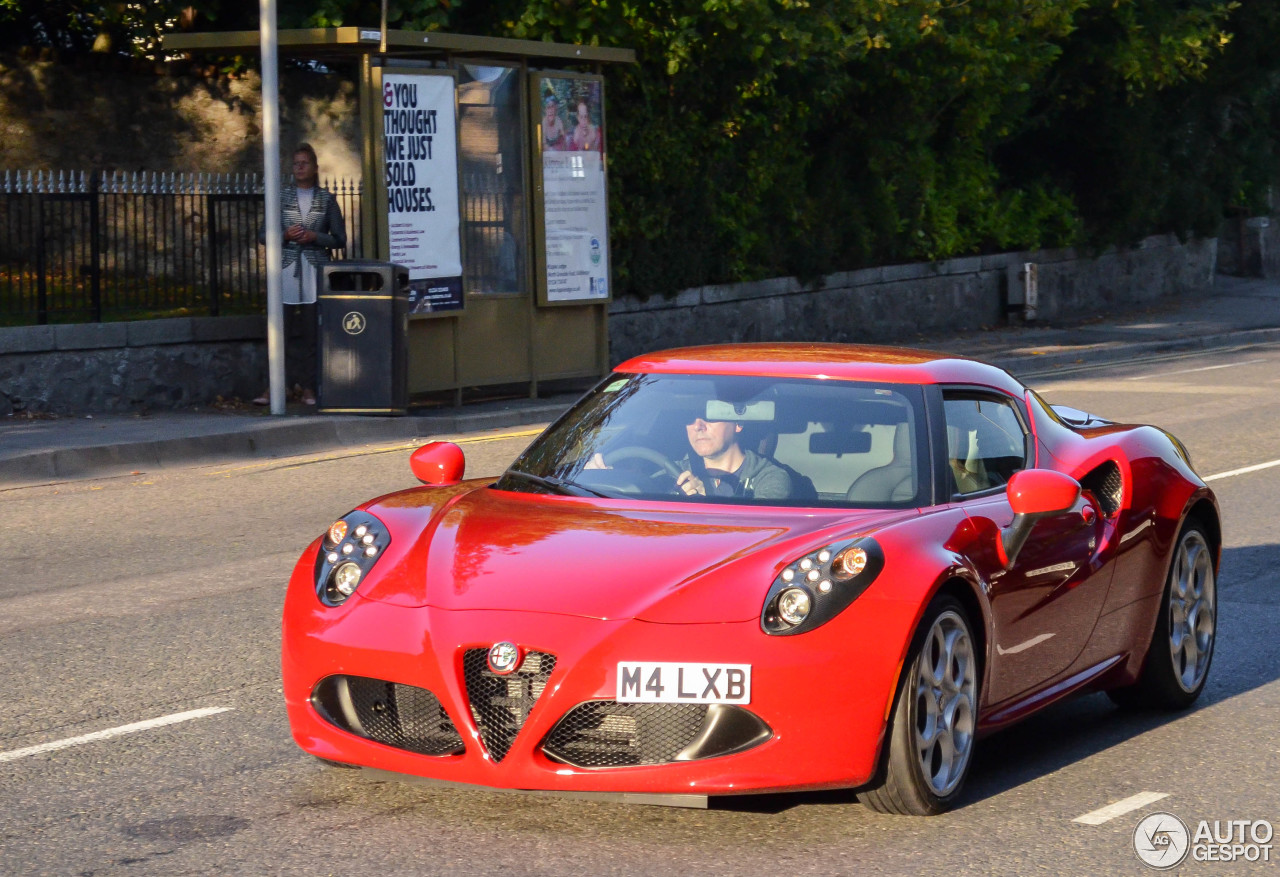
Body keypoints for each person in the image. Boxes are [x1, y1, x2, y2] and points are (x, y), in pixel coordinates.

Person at [255, 143, 347, 406]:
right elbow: (263, 236)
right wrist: (283, 235)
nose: (299, 167)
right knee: (278, 331)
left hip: (313, 271)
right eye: (296, 163)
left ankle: (308, 387)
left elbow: (340, 239)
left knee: (311, 335)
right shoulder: (280, 197)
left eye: (304, 163)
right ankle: (274, 386)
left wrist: (314, 237)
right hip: (285, 270)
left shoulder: (326, 199)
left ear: (315, 167)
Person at [675, 412, 791, 499]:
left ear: (738, 424)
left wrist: (705, 500)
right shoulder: (672, 473)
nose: (697, 426)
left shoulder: (769, 478)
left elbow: (757, 526)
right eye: (689, 418)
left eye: (710, 416)